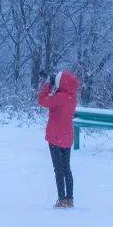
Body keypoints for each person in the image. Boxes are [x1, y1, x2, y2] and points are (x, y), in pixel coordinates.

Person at [37, 66, 80, 207]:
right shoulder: (72, 97)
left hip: (56, 137)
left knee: (58, 170)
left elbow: (42, 101)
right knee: (67, 169)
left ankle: (61, 199)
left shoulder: (60, 97)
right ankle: (70, 199)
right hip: (67, 138)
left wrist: (48, 85)